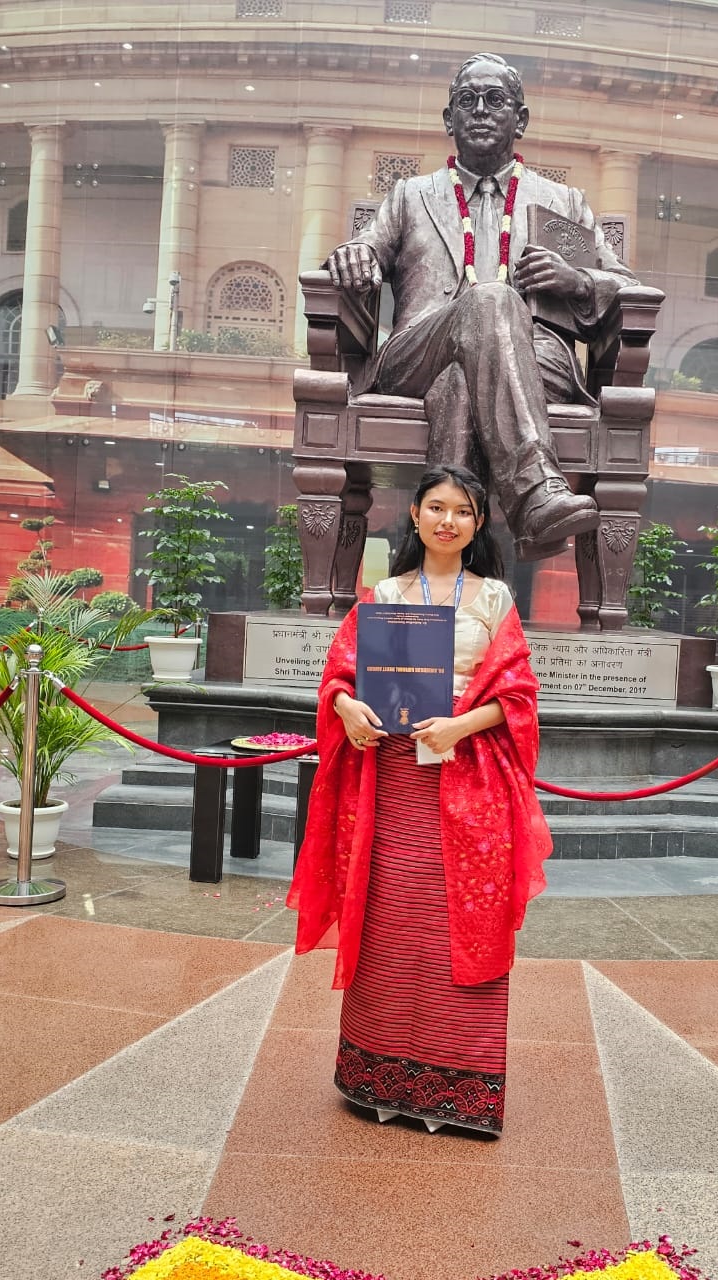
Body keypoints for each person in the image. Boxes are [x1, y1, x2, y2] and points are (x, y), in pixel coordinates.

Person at [287, 464, 553, 1135]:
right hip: (392, 781)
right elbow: (337, 679)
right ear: (413, 516)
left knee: (462, 924)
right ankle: (376, 1071)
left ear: (479, 523)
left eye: (462, 511)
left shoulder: (493, 599)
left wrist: (462, 723)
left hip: (466, 784)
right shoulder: (383, 594)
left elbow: (518, 697)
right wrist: (347, 710)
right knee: (387, 923)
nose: (447, 521)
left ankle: (455, 1084)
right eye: (436, 507)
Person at [326, 52, 637, 562]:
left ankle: (439, 567)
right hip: (419, 354)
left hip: (535, 362)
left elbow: (624, 286)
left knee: (460, 384)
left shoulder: (563, 203)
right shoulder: (411, 195)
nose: (480, 109)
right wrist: (355, 253)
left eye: (495, 99)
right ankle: (536, 492)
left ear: (521, 119)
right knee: (491, 297)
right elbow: (367, 249)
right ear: (449, 120)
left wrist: (577, 280)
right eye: (466, 101)